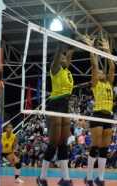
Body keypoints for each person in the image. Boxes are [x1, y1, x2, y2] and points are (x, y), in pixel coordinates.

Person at [37, 43, 74, 186]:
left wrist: (74, 39)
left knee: (63, 142)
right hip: (55, 103)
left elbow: (70, 53)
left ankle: (65, 178)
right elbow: (60, 55)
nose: (65, 58)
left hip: (65, 105)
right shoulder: (55, 69)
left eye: (66, 57)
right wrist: (60, 47)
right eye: (62, 57)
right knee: (53, 143)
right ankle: (42, 177)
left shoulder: (66, 70)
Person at [84, 36, 115, 186]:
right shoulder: (95, 83)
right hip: (97, 114)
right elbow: (95, 66)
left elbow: (112, 67)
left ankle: (100, 178)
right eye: (100, 72)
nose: (102, 72)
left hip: (108, 115)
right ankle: (89, 177)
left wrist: (107, 51)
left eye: (103, 72)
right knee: (95, 146)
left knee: (104, 148)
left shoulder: (109, 82)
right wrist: (91, 49)